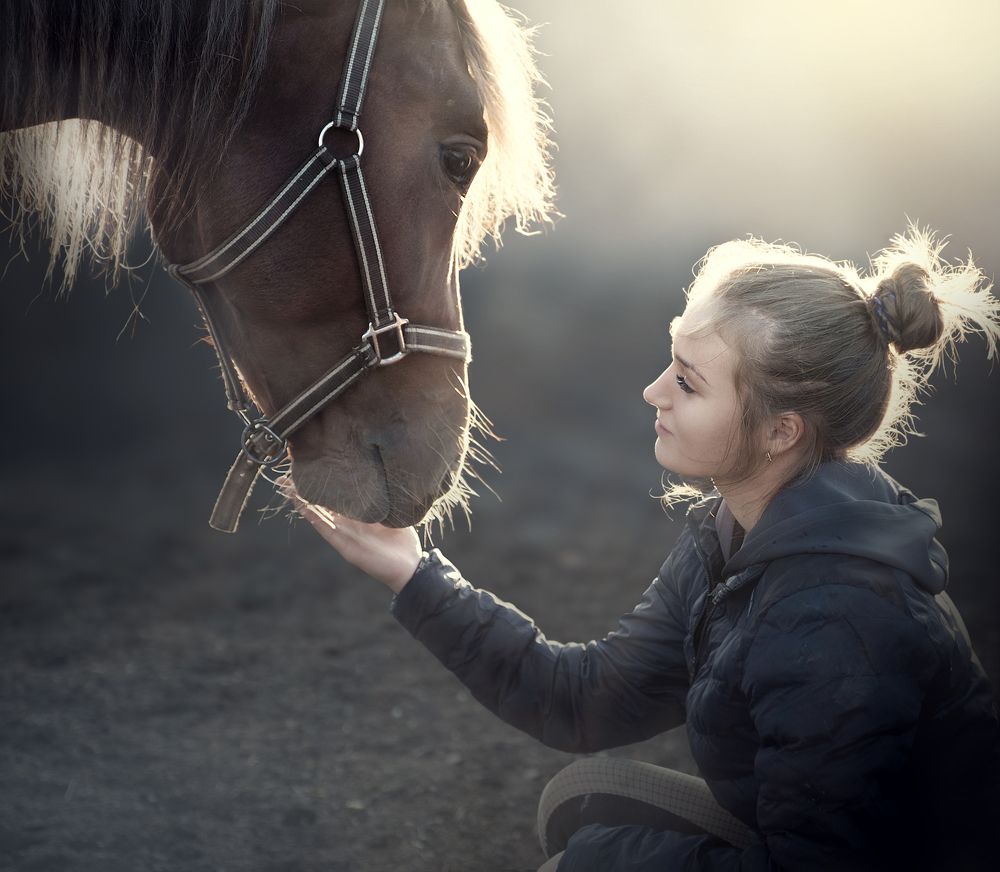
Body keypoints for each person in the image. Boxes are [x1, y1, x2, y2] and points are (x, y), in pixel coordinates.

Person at [288, 227, 1000, 872]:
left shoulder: (836, 619)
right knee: (584, 799)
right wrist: (415, 574)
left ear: (781, 432)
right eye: (671, 361)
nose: (653, 391)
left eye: (687, 382)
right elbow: (585, 700)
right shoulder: (737, 536)